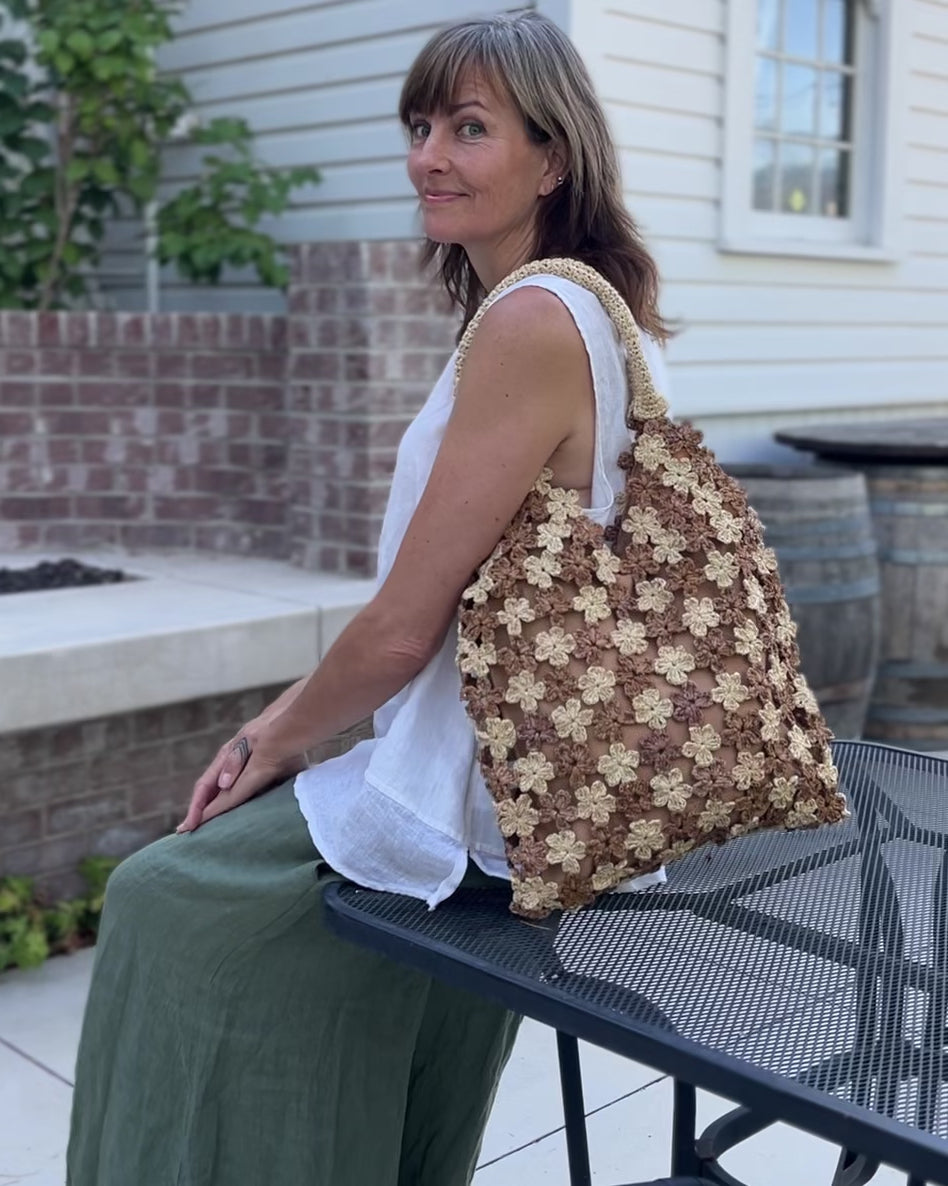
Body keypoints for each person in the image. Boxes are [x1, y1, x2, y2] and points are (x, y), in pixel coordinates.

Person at [66, 11, 671, 1185]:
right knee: (299, 944)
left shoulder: (535, 322)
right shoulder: (593, 310)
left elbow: (405, 626)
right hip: (546, 802)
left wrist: (270, 734)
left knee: (159, 904)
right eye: (420, 125)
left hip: (481, 815)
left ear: (553, 158)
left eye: (470, 127)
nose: (427, 156)